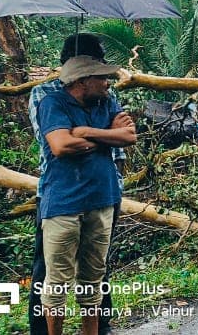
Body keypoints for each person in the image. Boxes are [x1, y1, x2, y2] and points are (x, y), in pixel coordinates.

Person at [28, 34, 128, 335]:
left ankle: (101, 328)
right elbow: (57, 144)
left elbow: (125, 137)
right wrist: (102, 134)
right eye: (98, 65)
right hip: (59, 192)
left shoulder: (106, 96)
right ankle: (41, 330)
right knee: (48, 272)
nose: (105, 77)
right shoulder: (44, 94)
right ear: (84, 72)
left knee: (96, 269)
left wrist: (84, 131)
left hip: (103, 190)